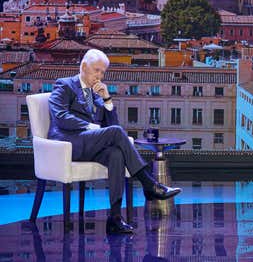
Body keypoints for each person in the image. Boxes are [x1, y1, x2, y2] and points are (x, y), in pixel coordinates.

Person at [48, 49, 181, 235]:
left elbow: (113, 126)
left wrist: (107, 99)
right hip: (68, 143)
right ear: (84, 66)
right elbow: (60, 116)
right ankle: (149, 185)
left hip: (90, 144)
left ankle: (115, 218)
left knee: (116, 155)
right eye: (97, 70)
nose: (99, 76)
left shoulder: (95, 93)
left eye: (103, 72)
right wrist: (90, 126)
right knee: (117, 134)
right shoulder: (64, 85)